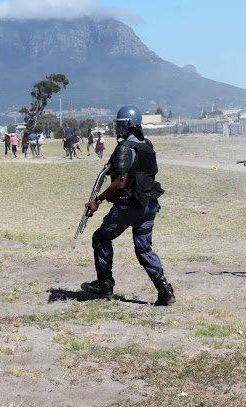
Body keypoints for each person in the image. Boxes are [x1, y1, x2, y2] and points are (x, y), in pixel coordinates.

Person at [81, 105, 175, 306]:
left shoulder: (125, 147)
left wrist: (97, 201)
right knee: (144, 249)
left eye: (120, 125)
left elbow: (120, 183)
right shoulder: (146, 145)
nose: (117, 128)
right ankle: (165, 292)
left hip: (130, 206)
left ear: (129, 125)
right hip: (149, 205)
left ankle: (104, 284)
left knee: (101, 238)